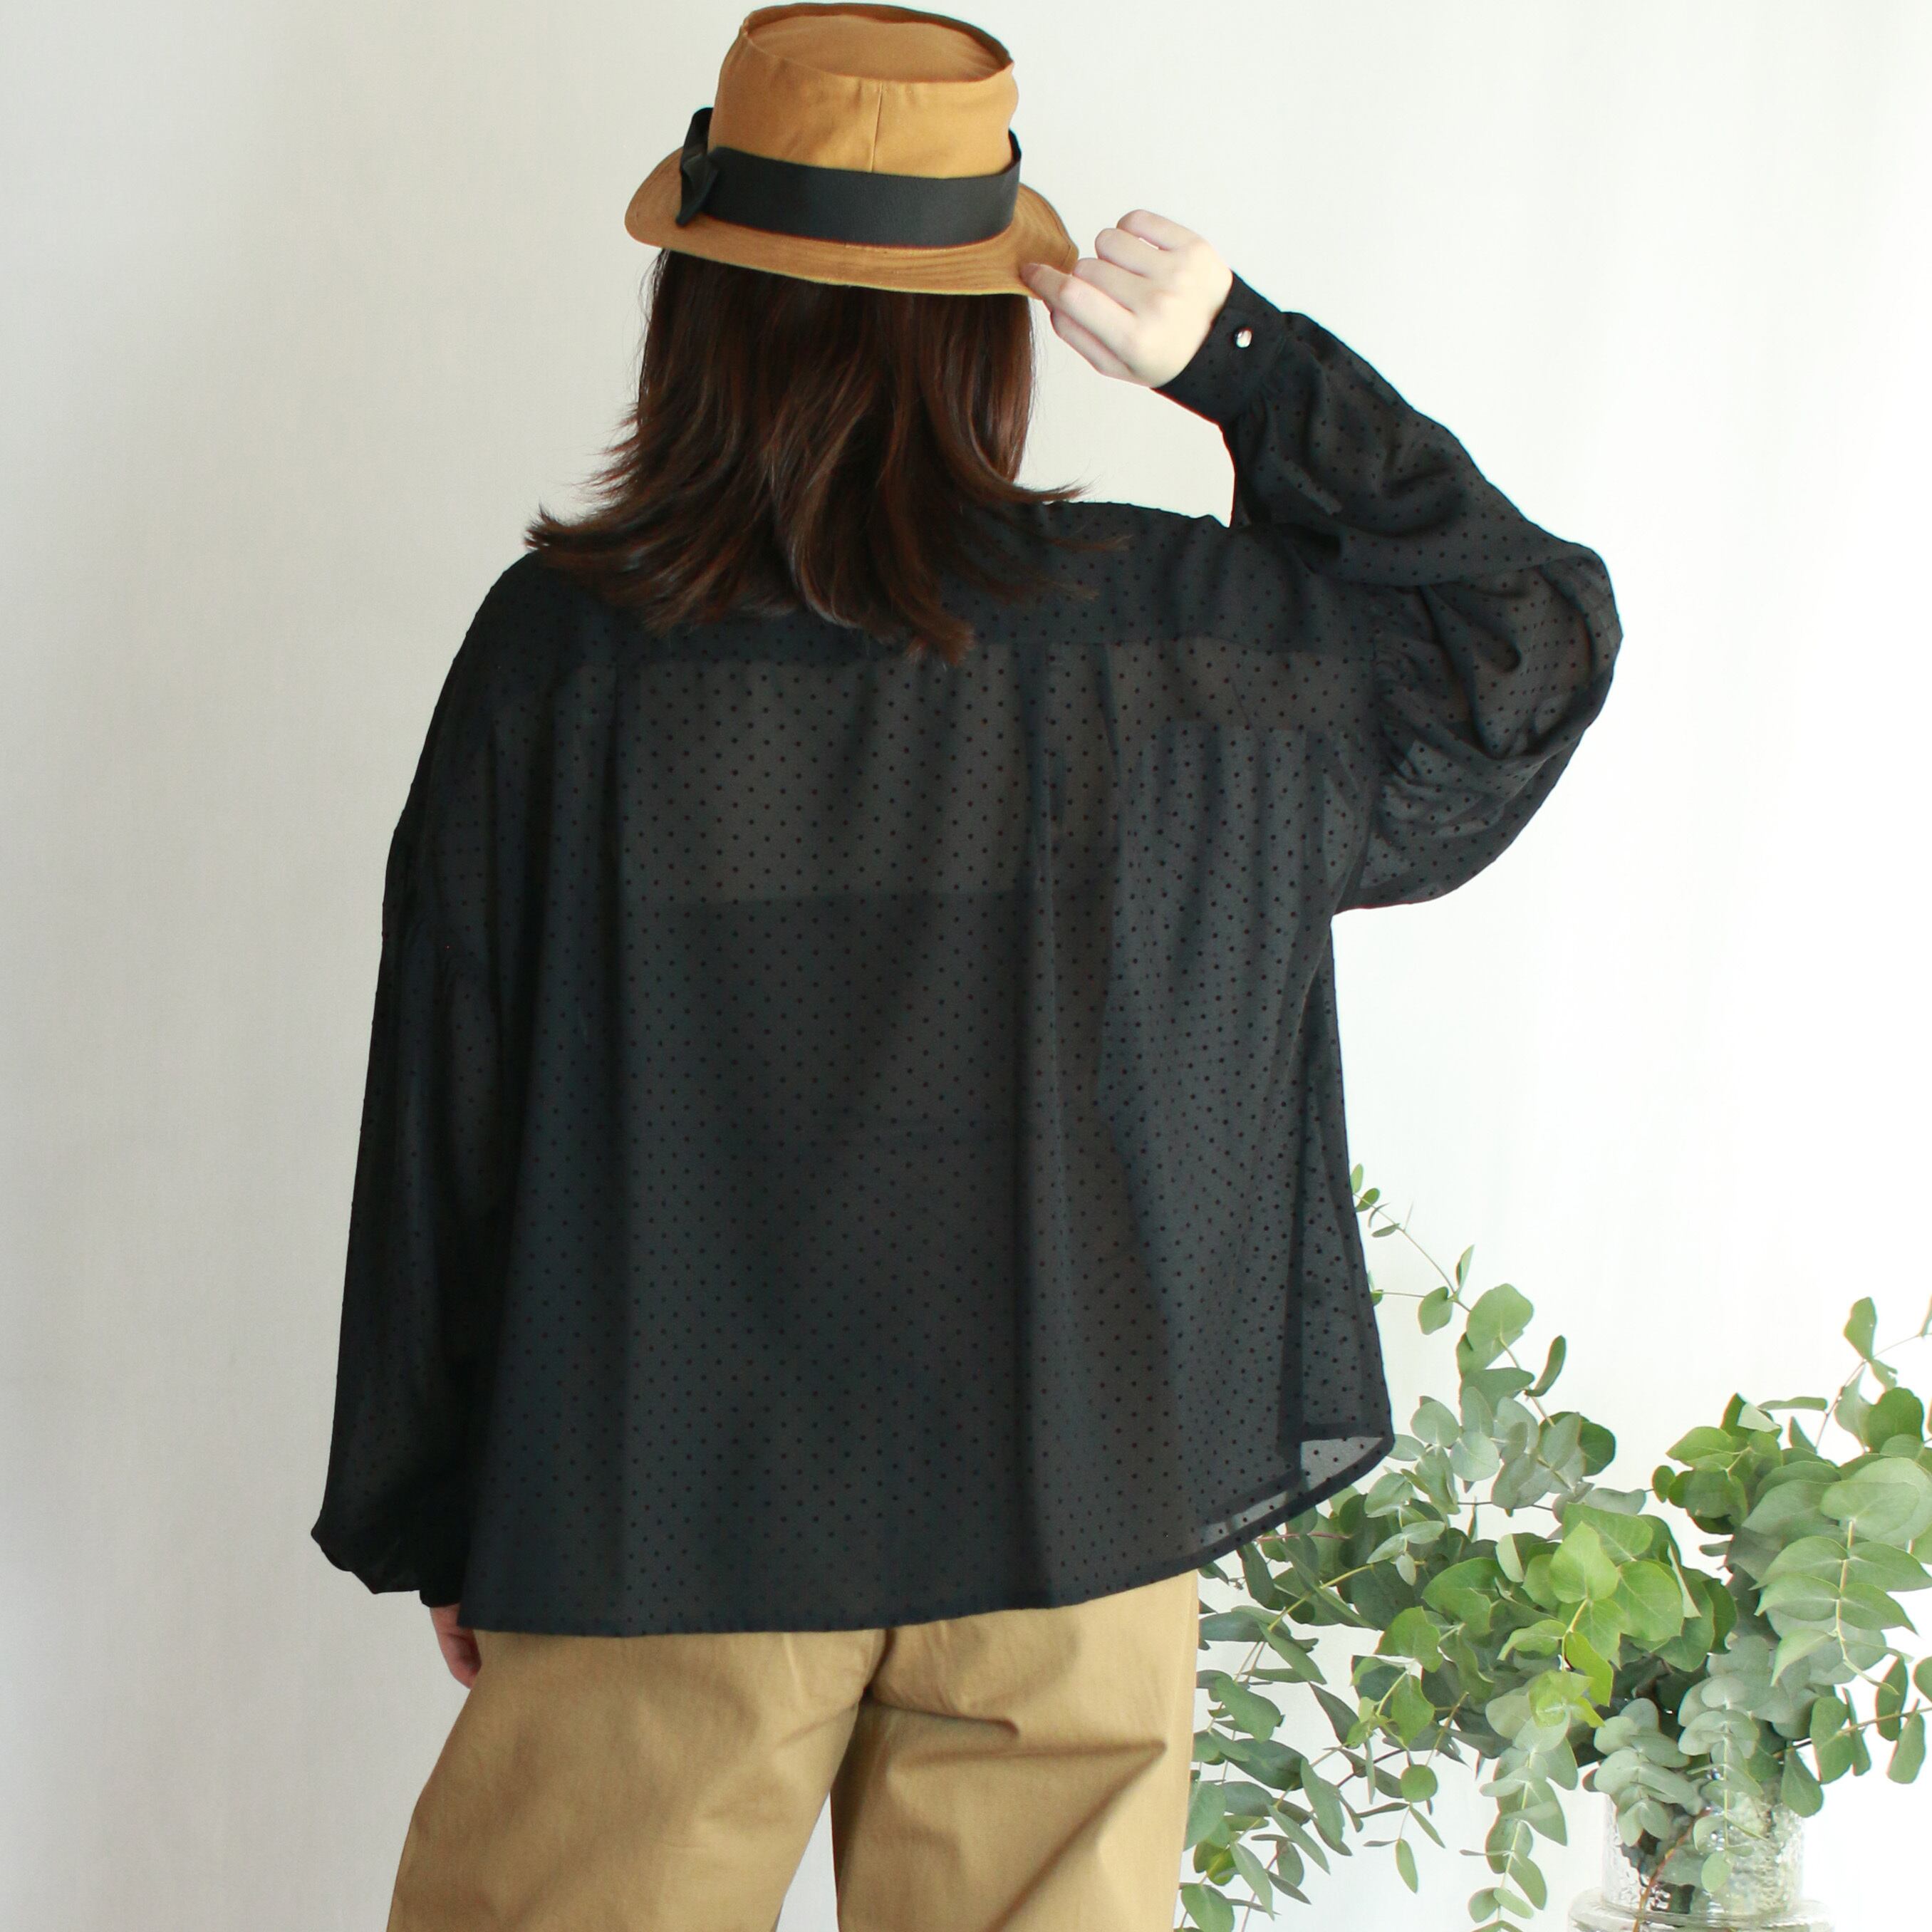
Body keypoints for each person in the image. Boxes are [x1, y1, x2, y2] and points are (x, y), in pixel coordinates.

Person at [308, 6, 1622, 1928]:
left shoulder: (567, 657)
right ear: (991, 319)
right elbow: (1522, 645)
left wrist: (448, 1505)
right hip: (1066, 1497)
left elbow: (454, 1093)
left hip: (660, 1493)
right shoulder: (1160, 640)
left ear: (699, 311)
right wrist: (1246, 367)